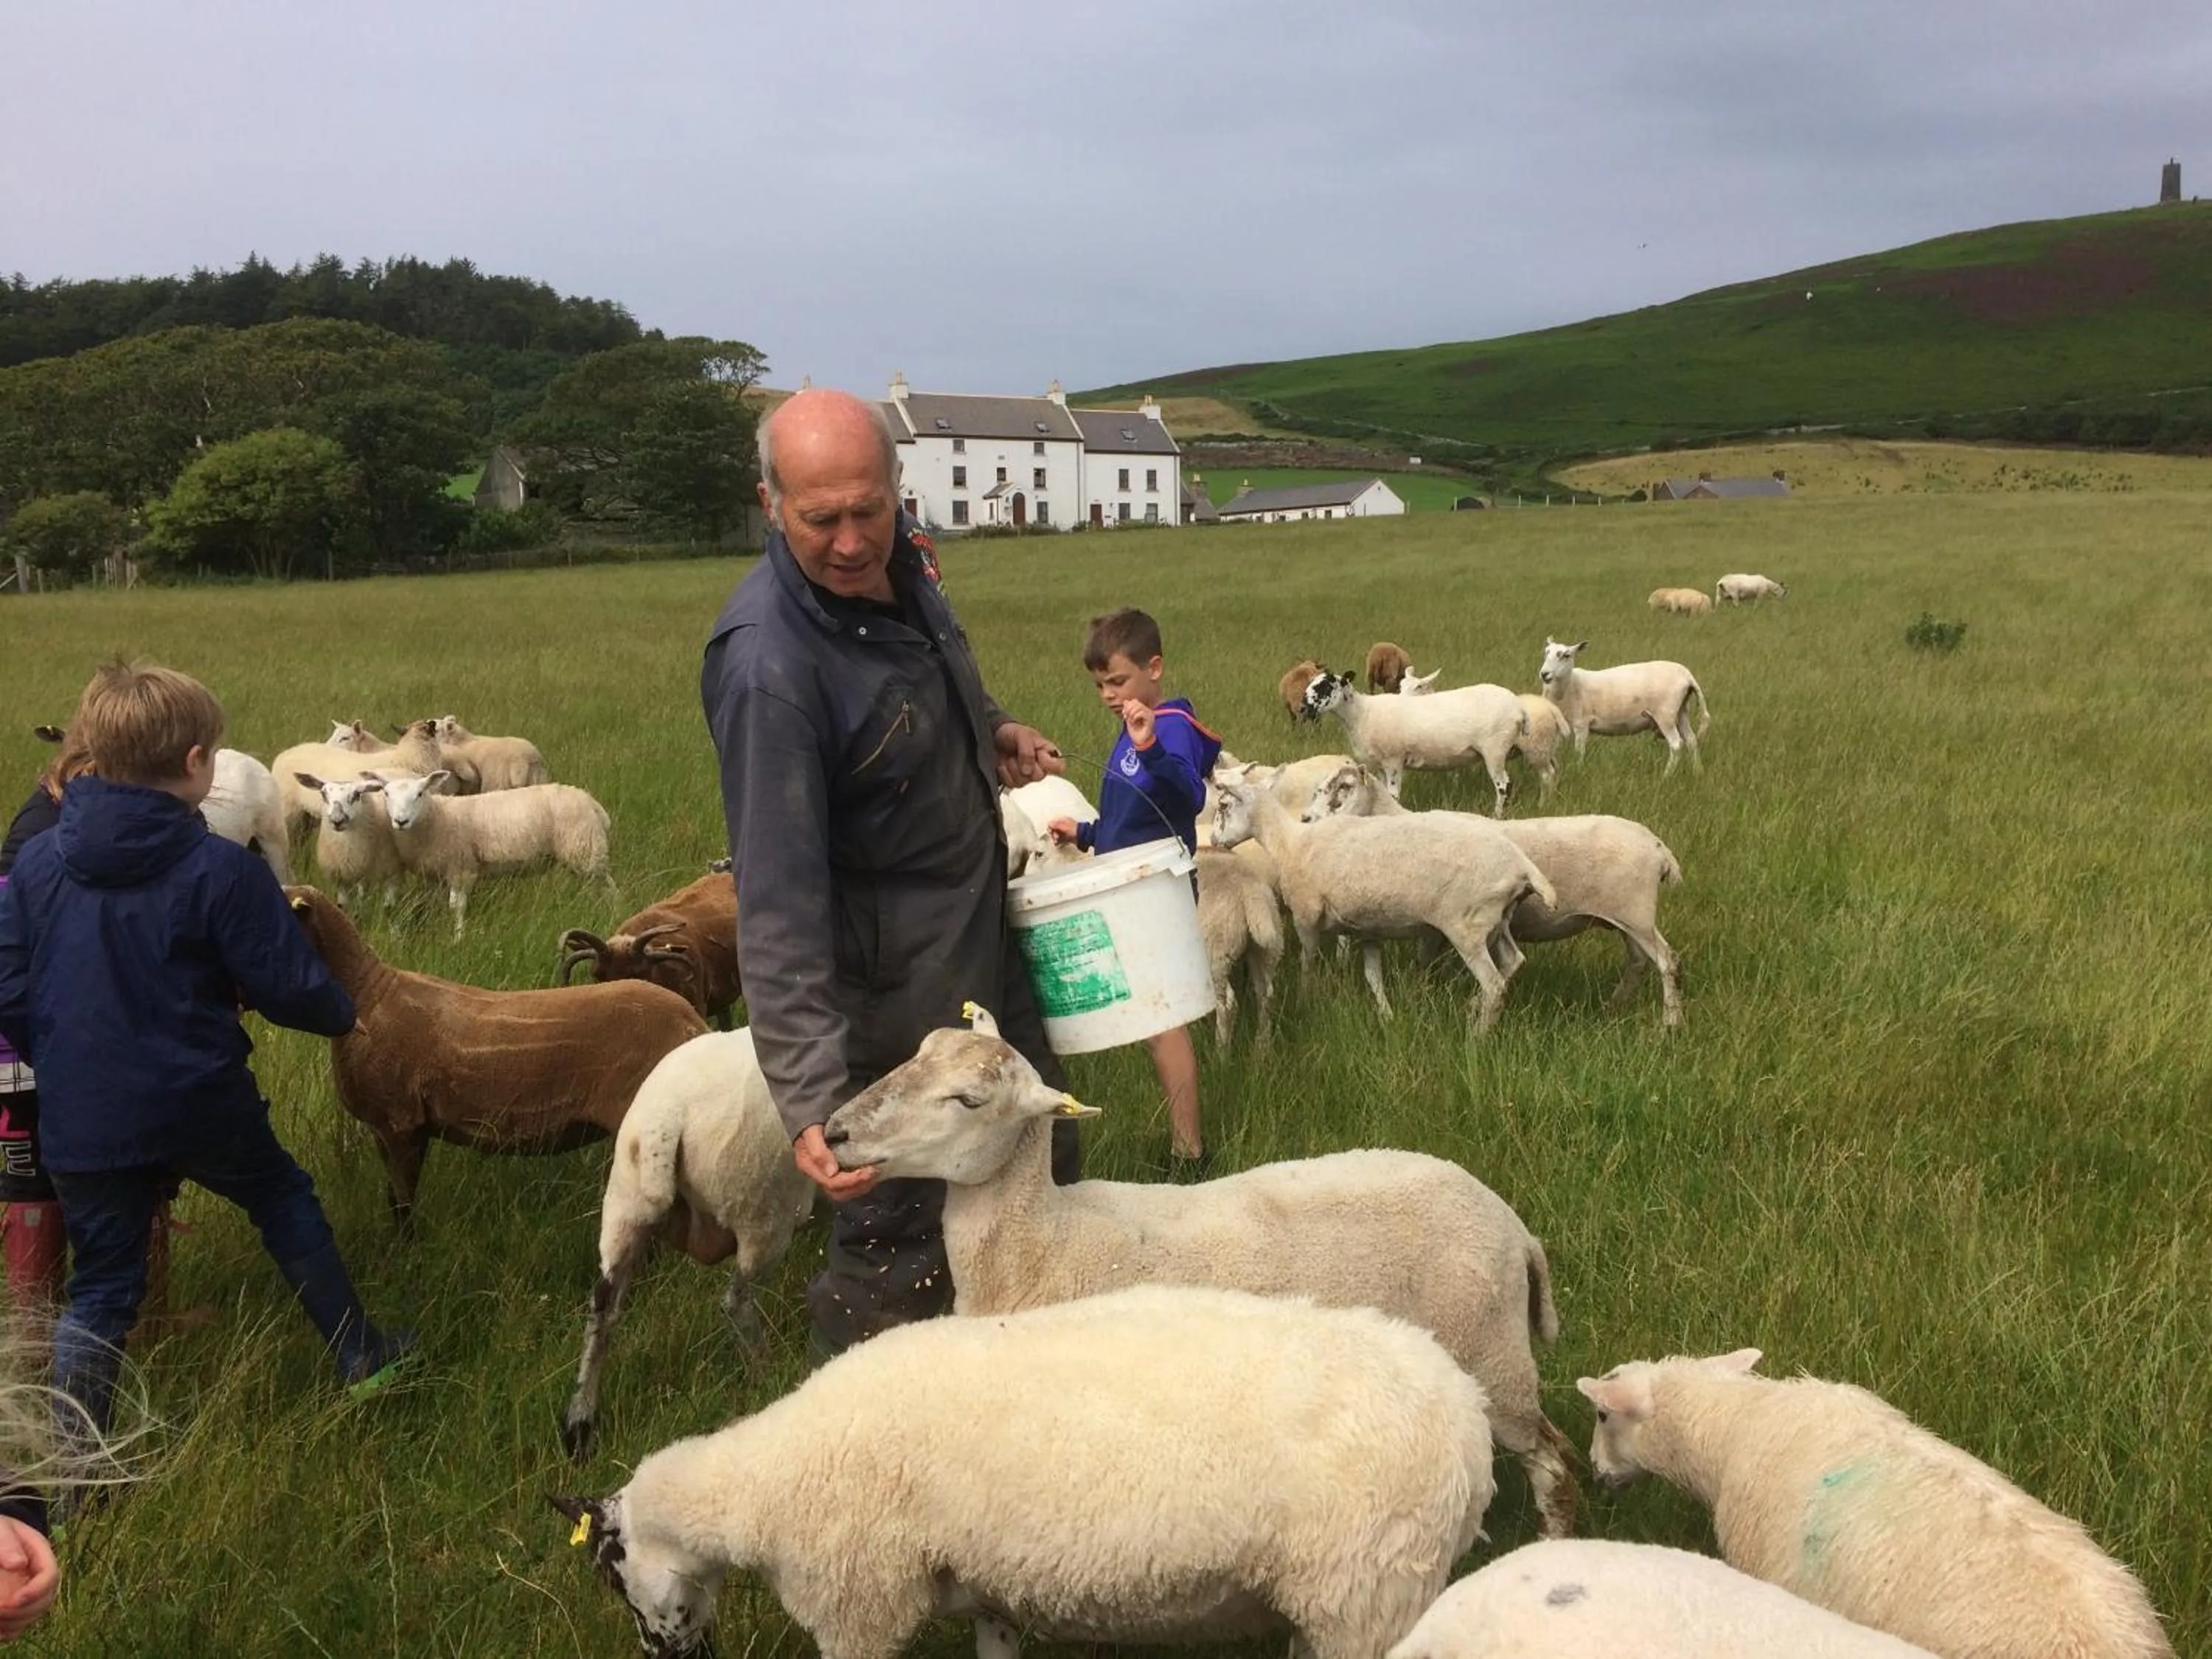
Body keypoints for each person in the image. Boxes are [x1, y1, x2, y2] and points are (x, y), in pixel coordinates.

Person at [702, 389, 1079, 1355]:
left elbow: (923, 678)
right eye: (820, 518)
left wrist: (990, 728)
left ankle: (1030, 1392)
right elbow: (776, 902)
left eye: (869, 509)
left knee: (1039, 1167)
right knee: (900, 1236)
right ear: (771, 503)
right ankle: (864, 1425)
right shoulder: (770, 669)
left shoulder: (901, 561)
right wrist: (813, 1100)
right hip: (891, 1004)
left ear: (895, 486)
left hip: (978, 947)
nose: (850, 541)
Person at [0, 661, 414, 1452]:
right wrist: (344, 1014)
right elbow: (289, 987)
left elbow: (10, 989)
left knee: (101, 1288)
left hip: (84, 1113)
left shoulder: (40, 864)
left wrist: (64, 1059)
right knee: (282, 1199)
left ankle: (78, 1468)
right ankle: (362, 1356)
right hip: (200, 1099)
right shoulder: (221, 869)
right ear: (196, 763)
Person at [1, 731, 201, 1340]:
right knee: (137, 1166)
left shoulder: (37, 817)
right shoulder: (129, 826)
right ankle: (140, 1323)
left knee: (32, 1176)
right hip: (91, 1045)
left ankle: (32, 1341)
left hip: (22, 1047)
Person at [1046, 608, 1222, 1172]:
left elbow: (1189, 796)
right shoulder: (1133, 727)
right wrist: (1085, 833)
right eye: (1100, 685)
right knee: (1150, 1020)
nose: (1108, 695)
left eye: (1117, 681)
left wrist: (1150, 747)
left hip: (1158, 890)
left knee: (1162, 1020)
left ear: (1155, 668)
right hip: (1130, 885)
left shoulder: (1168, 727)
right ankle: (1183, 1142)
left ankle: (1190, 1153)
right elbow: (1133, 818)